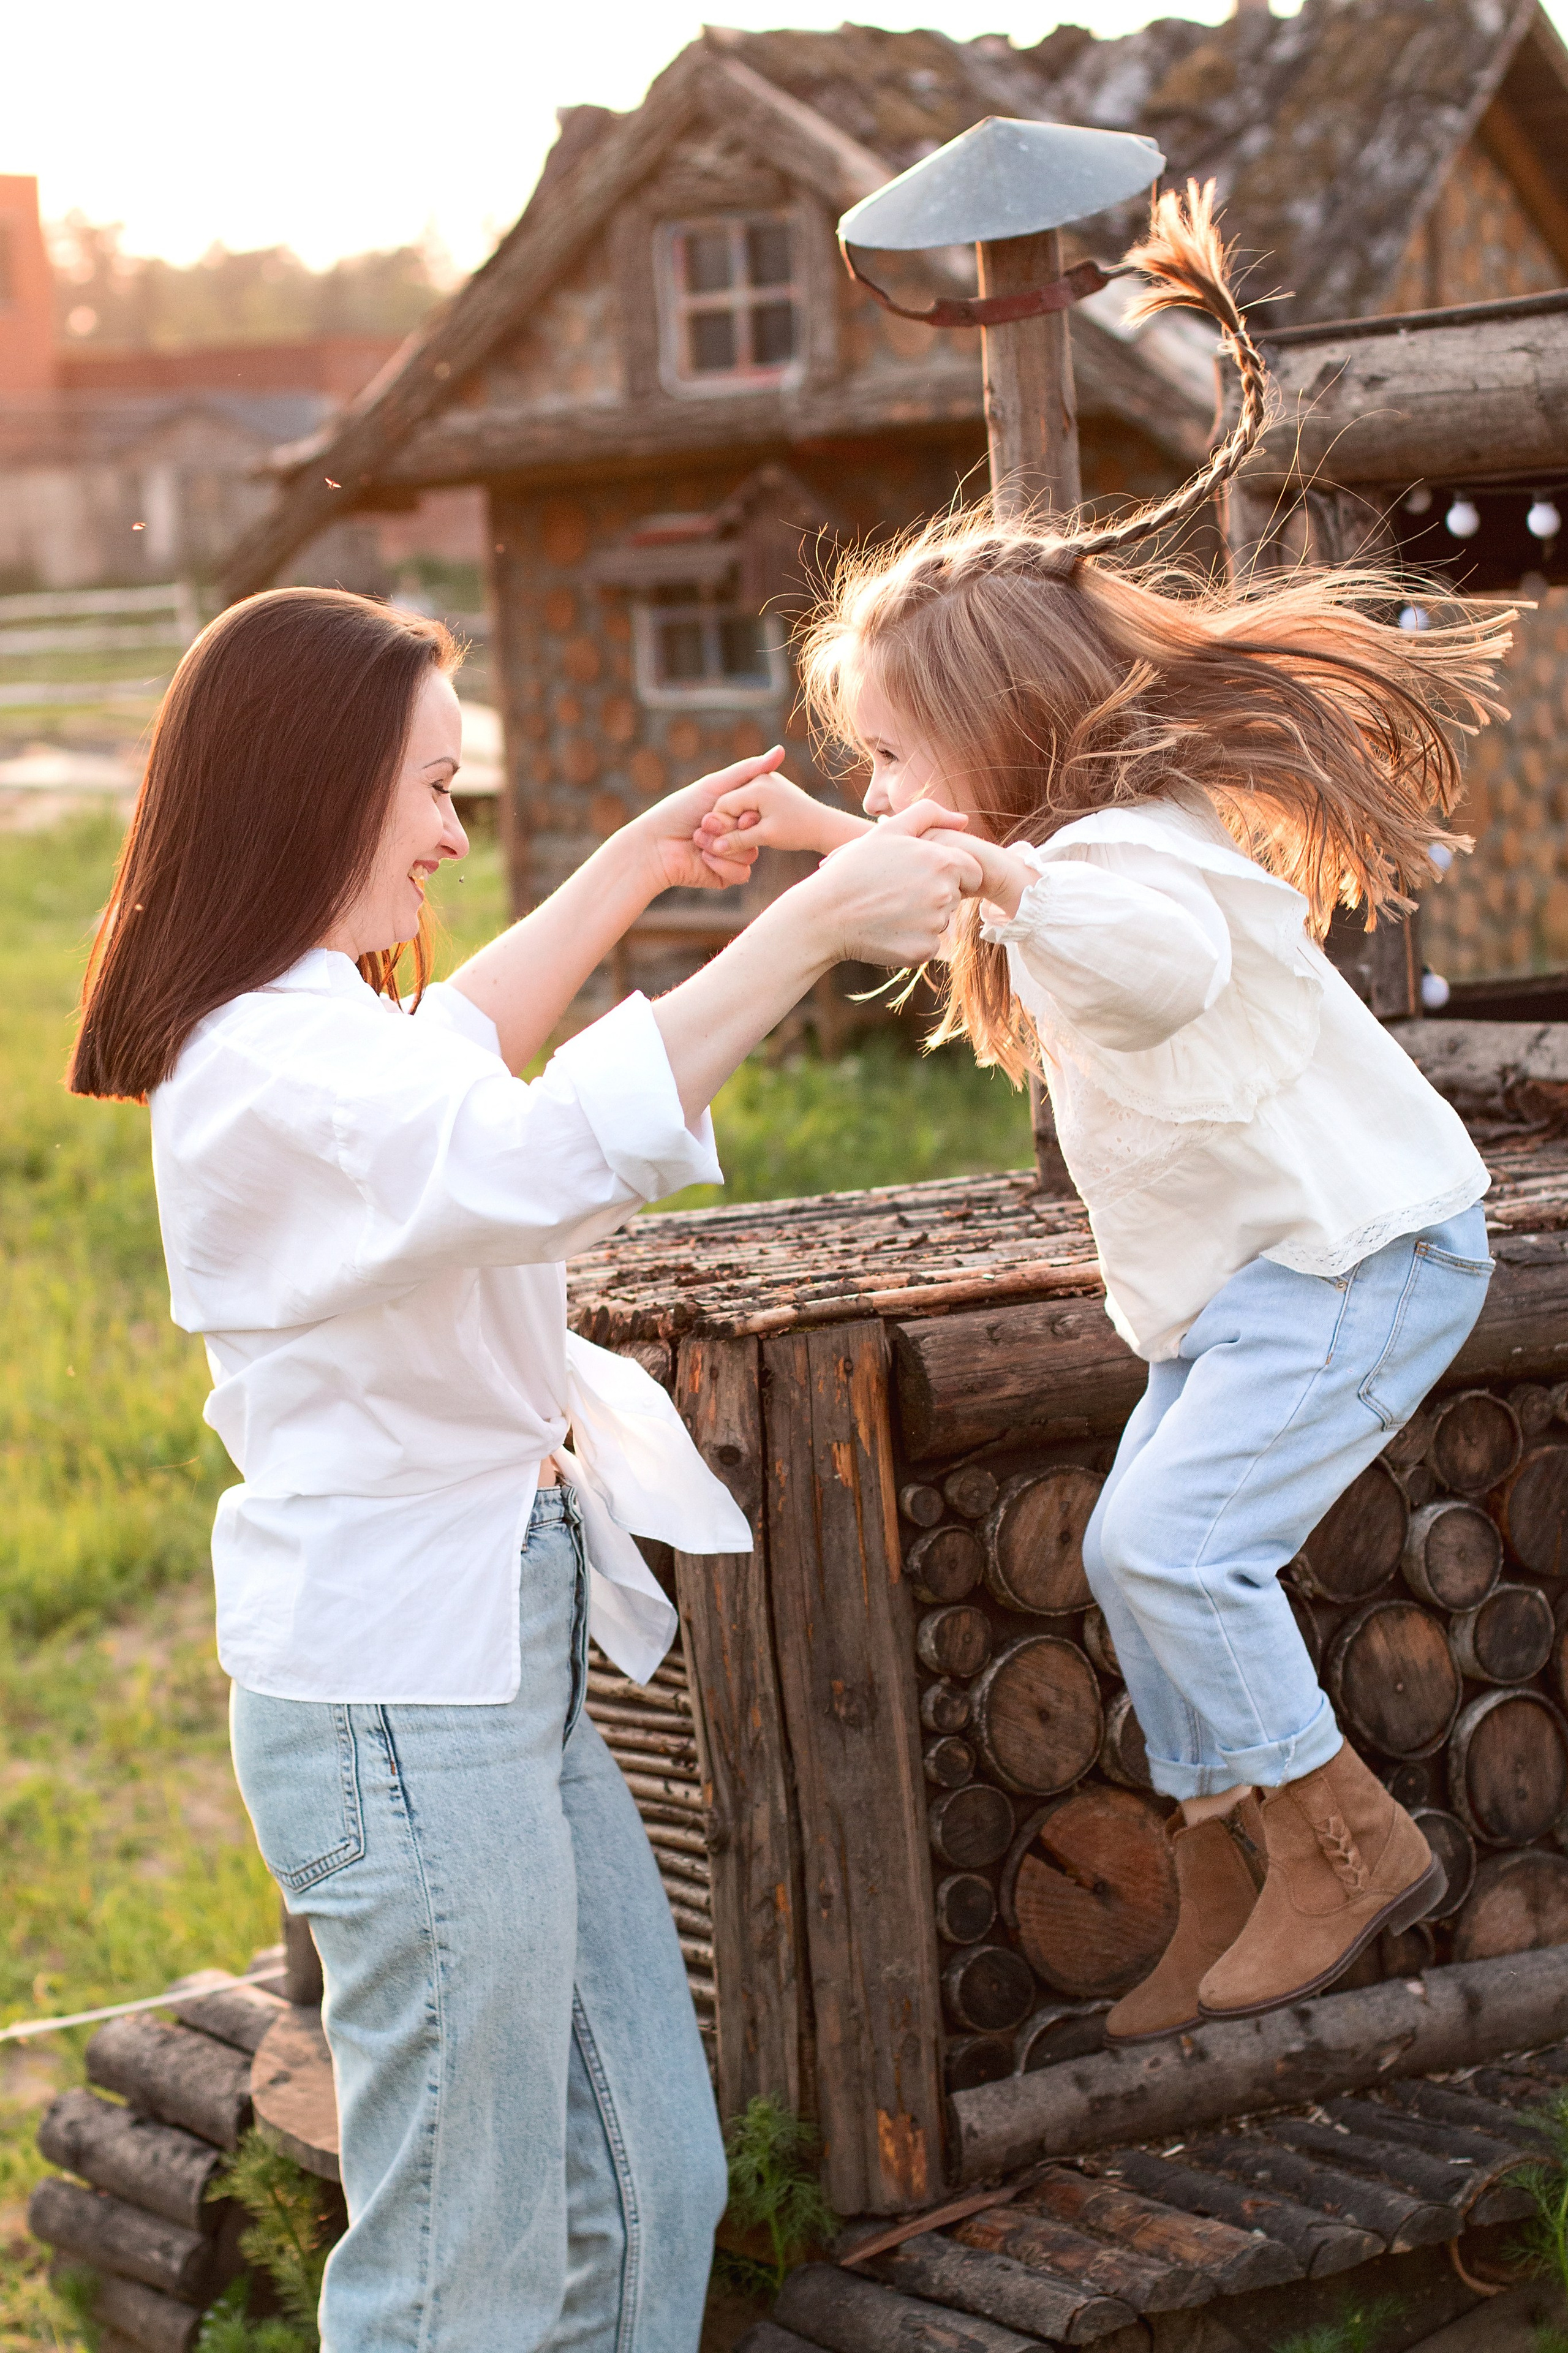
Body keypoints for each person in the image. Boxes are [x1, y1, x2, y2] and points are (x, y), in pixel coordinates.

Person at [67, 586, 982, 2352]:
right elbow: (536, 1148)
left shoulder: (312, 1029)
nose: (450, 832)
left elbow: (453, 1056)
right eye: (431, 787)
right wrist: (803, 931)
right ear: (314, 788)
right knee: (462, 2269)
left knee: (647, 2191)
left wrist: (641, 862)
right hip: (406, 1697)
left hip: (488, 1661)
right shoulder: (265, 1068)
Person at [694, 494, 1513, 2043]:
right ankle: (1224, 1856)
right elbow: (983, 885)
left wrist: (1001, 882)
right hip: (1253, 1290)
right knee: (1130, 1561)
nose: (876, 789)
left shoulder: (1130, 855)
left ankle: (1344, 1840)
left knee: (1169, 1550)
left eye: (891, 755)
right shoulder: (1065, 859)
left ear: (996, 726)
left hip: (1358, 1255)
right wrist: (825, 842)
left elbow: (1153, 972)